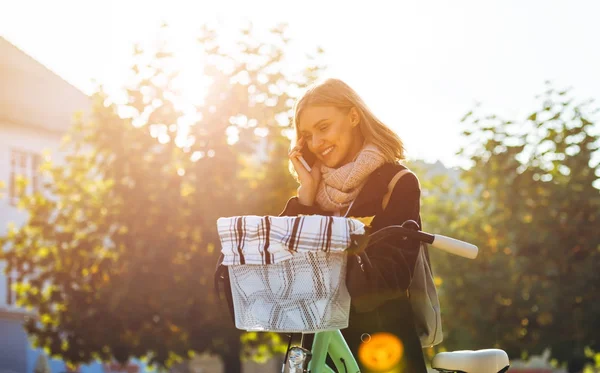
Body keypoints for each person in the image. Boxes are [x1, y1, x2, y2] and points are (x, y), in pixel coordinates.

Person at [279, 78, 428, 372]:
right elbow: (280, 265)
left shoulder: (397, 183)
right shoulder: (314, 193)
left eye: (324, 127)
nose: (316, 143)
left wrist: (338, 248)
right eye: (307, 135)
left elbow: (390, 279)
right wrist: (305, 197)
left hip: (383, 352)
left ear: (353, 116)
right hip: (316, 350)